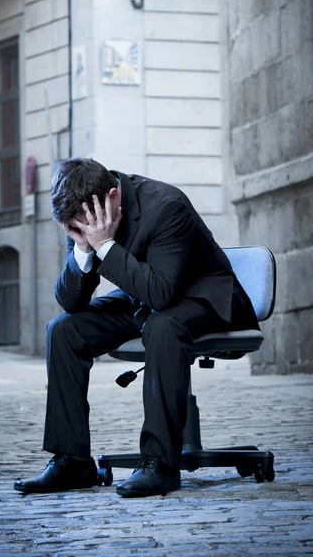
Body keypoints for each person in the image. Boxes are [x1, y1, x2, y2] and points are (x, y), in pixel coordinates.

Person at [14, 158, 259, 498]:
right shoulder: (84, 213)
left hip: (207, 295)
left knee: (162, 326)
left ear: (112, 197)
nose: (81, 233)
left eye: (84, 227)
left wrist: (103, 245)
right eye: (74, 230)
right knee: (64, 329)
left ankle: (160, 464)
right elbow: (70, 301)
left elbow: (161, 293)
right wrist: (84, 250)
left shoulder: (166, 206)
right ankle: (71, 461)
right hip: (145, 298)